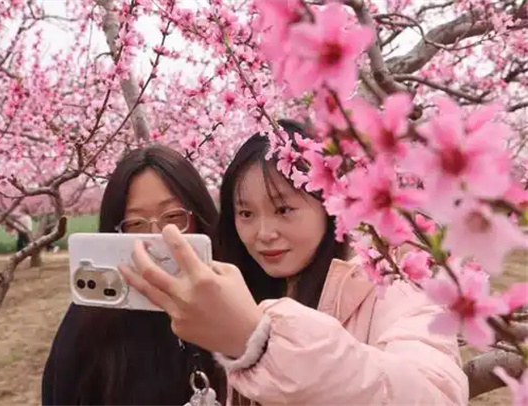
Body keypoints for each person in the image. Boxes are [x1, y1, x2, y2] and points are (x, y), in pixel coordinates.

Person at [122, 120, 469, 405]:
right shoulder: (244, 287)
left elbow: (435, 394)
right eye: (246, 213)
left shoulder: (391, 283)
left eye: (284, 209)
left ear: (328, 205)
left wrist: (262, 344)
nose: (264, 233)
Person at [42, 145, 225, 405]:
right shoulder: (87, 322)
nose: (157, 237)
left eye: (174, 216)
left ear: (200, 218)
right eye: (136, 223)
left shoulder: (231, 302)